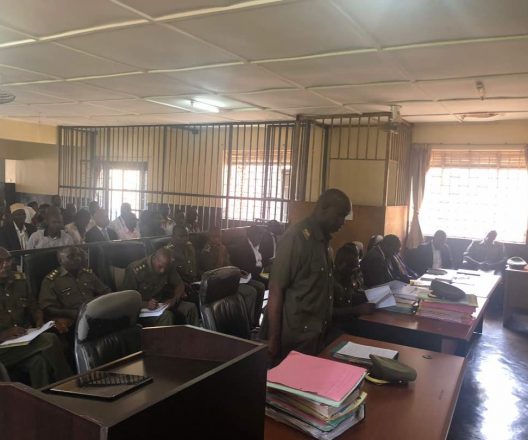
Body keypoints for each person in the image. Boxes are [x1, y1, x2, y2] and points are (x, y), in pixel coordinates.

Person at [264, 189, 351, 361]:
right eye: (339, 215)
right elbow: (275, 289)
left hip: (317, 333)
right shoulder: (296, 238)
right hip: (296, 337)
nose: (343, 222)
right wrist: (273, 339)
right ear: (323, 208)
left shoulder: (324, 241)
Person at [0, 247, 72, 388]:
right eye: (0, 261)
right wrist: (3, 334)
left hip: (22, 340)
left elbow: (33, 306)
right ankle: (71, 385)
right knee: (50, 339)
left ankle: (44, 398)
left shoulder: (20, 280)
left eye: (8, 260)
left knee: (38, 362)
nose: (6, 265)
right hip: (2, 349)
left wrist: (39, 321)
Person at [39, 246, 111, 337]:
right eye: (71, 256)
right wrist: (71, 313)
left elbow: (106, 291)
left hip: (94, 312)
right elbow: (47, 307)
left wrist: (100, 304)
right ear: (60, 260)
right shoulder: (52, 280)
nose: (77, 258)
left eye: (78, 255)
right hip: (73, 318)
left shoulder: (87, 273)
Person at [197, 226, 260, 327]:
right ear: (209, 237)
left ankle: (253, 321)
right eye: (214, 237)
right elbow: (214, 273)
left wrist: (237, 271)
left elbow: (229, 264)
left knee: (258, 287)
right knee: (250, 292)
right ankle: (245, 323)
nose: (217, 239)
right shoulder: (206, 251)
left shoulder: (221, 247)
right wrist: (221, 255)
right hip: (217, 283)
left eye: (219, 237)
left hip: (227, 279)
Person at [122, 248, 199, 327]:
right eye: (160, 267)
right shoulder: (135, 269)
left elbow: (180, 284)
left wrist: (174, 299)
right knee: (166, 316)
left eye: (165, 268)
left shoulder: (167, 265)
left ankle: (194, 334)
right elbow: (126, 299)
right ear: (154, 259)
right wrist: (145, 304)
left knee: (190, 308)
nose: (162, 270)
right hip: (141, 309)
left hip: (161, 304)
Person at [332, 244, 375, 334]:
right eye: (353, 267)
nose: (356, 271)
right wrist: (356, 309)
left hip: (350, 320)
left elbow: (350, 298)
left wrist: (370, 296)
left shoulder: (347, 276)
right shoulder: (330, 282)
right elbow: (327, 312)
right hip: (336, 326)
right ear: (343, 265)